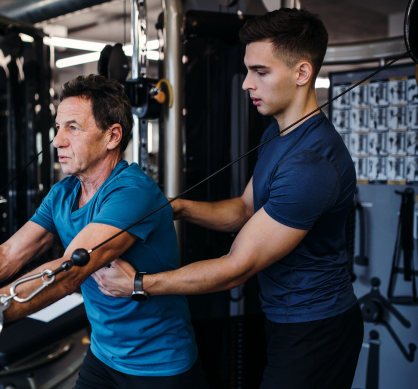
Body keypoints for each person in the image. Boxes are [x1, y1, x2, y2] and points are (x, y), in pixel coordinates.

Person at [0, 75, 208, 389]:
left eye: (72, 128)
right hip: (104, 356)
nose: (56, 140)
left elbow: (69, 274)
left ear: (112, 136)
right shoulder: (63, 193)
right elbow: (8, 255)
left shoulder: (132, 192)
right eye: (57, 127)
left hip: (161, 365)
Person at [93, 8, 363, 389]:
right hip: (283, 316)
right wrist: (175, 208)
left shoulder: (311, 163)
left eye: (260, 72)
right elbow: (244, 210)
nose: (246, 84)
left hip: (316, 328)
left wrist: (139, 283)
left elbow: (238, 266)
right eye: (248, 70)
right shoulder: (276, 135)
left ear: (302, 73)